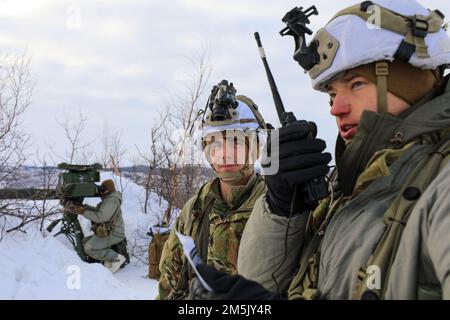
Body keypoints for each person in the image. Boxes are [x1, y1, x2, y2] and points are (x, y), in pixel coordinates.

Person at [190, 0, 450, 300]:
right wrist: (282, 208)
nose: (336, 109)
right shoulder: (344, 186)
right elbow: (261, 282)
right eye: (332, 93)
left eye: (356, 84)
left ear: (411, 80)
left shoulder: (440, 184)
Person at [156, 80, 268, 299]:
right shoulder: (195, 210)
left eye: (235, 142)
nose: (224, 154)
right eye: (215, 144)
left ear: (254, 147)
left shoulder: (276, 207)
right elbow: (169, 287)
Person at [67, 179, 127, 273]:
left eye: (102, 190)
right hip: (109, 231)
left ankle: (116, 258)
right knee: (85, 242)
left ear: (108, 190)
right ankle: (105, 258)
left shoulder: (112, 201)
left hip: (114, 233)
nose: (100, 193)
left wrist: (83, 211)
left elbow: (101, 217)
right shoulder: (109, 199)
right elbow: (99, 211)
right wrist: (85, 207)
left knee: (89, 248)